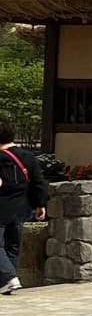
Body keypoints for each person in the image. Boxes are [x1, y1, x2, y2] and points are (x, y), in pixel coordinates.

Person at [0, 119, 49, 295]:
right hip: (22, 207)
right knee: (12, 246)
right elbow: (38, 182)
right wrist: (40, 204)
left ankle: (8, 278)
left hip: (2, 206)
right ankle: (7, 284)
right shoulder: (28, 156)